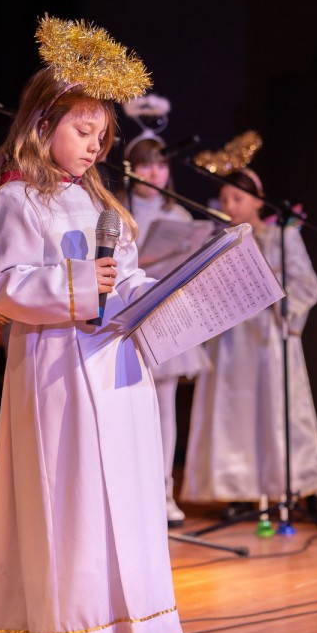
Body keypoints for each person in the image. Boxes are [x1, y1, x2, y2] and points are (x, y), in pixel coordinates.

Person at [0, 16, 183, 633]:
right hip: (57, 373)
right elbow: (0, 285)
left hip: (114, 370)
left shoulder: (100, 204)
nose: (95, 146)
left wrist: (160, 293)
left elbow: (124, 276)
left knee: (119, 502)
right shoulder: (17, 200)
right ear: (43, 126)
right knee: (70, 506)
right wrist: (77, 284)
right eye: (83, 131)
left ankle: (115, 631)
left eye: (102, 136)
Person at [181, 168, 317, 522]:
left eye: (238, 198)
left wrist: (285, 311)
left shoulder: (280, 236)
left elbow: (307, 285)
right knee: (234, 410)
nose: (230, 206)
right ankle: (239, 491)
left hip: (270, 334)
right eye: (224, 199)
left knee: (285, 410)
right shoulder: (218, 241)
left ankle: (306, 487)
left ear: (258, 199)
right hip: (232, 336)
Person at [119, 108, 210, 527]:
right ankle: (130, 495)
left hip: (169, 316)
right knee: (127, 408)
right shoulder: (118, 211)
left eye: (159, 164)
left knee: (166, 409)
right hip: (131, 316)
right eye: (144, 164)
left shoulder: (180, 215)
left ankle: (164, 492)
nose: (153, 172)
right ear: (129, 169)